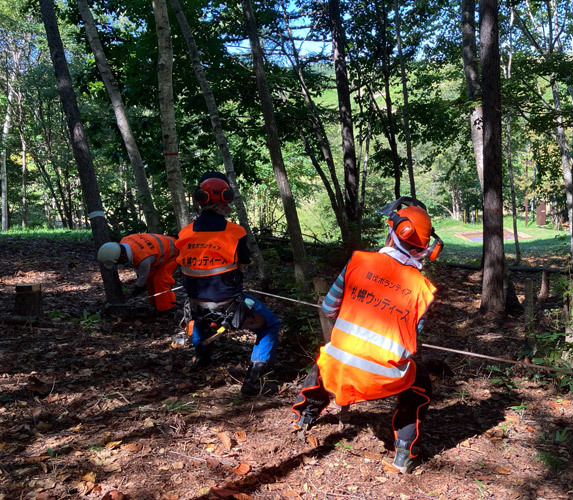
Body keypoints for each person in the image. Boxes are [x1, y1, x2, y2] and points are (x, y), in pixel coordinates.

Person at [291, 197, 443, 474]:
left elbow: (328, 308)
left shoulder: (358, 261)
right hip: (384, 377)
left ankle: (304, 416)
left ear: (392, 232)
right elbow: (412, 342)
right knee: (419, 385)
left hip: (339, 367)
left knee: (327, 358)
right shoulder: (423, 288)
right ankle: (404, 455)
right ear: (427, 248)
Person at [175, 171, 280, 397]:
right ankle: (254, 379)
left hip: (196, 303)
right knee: (270, 324)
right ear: (227, 197)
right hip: (229, 304)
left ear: (200, 198)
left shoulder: (184, 232)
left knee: (199, 318)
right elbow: (242, 265)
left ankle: (202, 357)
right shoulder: (235, 231)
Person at [97, 233, 178, 313]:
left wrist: (134, 293)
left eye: (118, 262)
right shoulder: (124, 241)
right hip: (158, 251)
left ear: (122, 256)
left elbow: (142, 281)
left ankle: (166, 309)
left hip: (173, 252)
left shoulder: (143, 259)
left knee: (160, 280)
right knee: (150, 279)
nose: (119, 264)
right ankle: (156, 304)